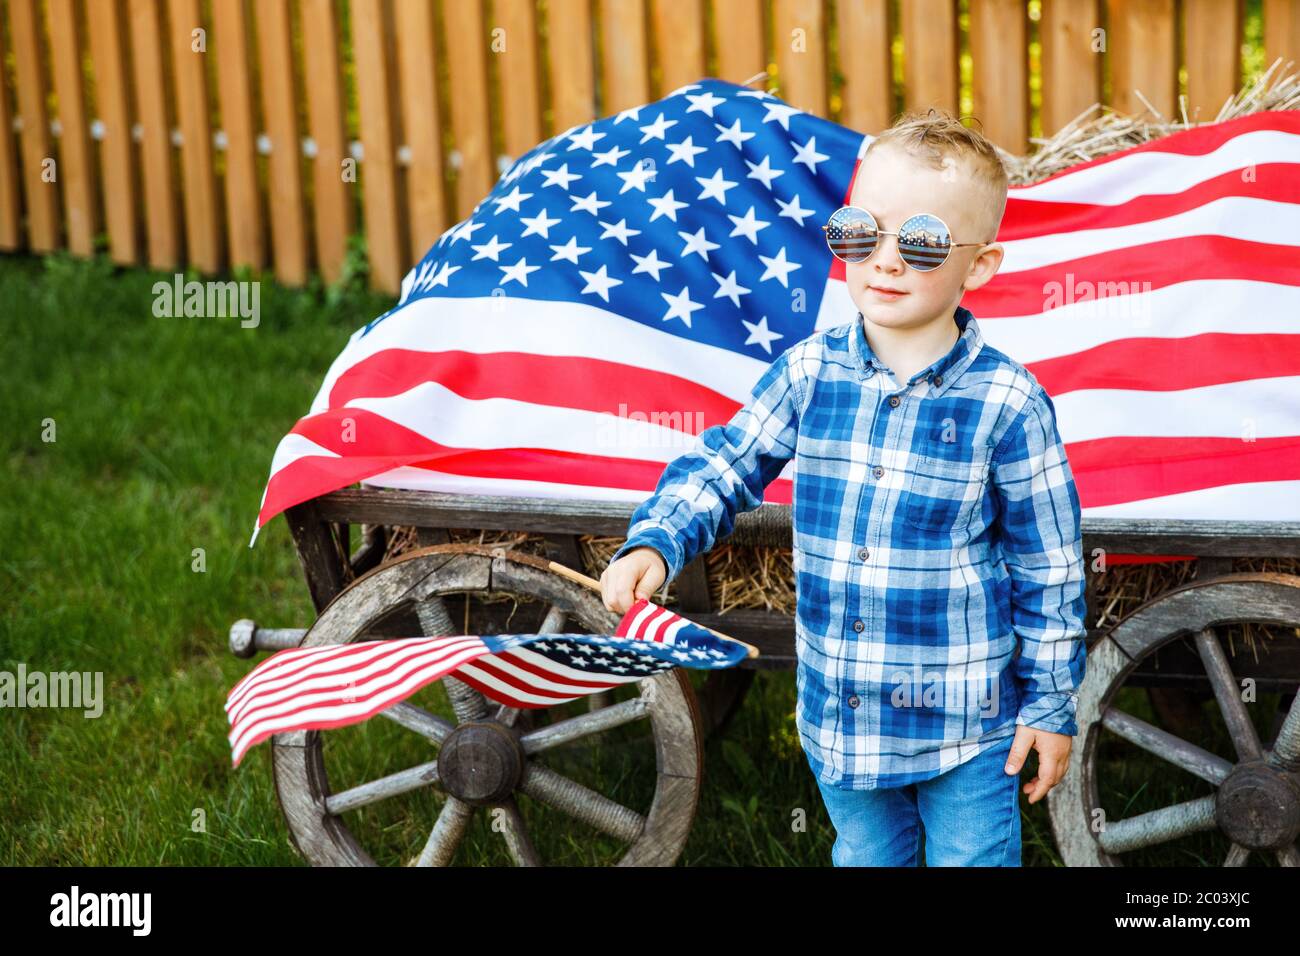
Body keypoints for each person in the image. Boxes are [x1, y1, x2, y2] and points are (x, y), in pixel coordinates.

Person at [599, 108, 1088, 866]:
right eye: (862, 231)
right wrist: (658, 540)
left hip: (967, 721)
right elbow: (728, 462)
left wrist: (1052, 706)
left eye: (921, 242)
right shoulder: (808, 372)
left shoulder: (1008, 404)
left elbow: (1048, 567)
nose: (885, 260)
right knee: (866, 855)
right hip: (844, 717)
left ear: (978, 266)